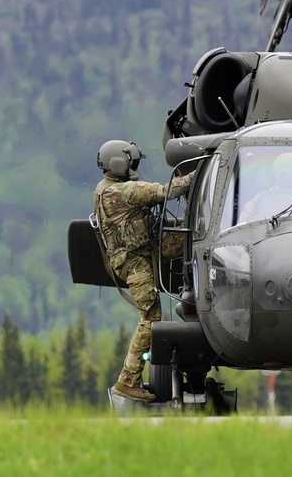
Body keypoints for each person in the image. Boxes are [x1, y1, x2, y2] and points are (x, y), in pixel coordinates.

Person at [94, 139, 195, 403]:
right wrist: (201, 173)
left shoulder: (105, 189)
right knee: (150, 315)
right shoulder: (122, 192)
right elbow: (167, 191)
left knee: (191, 240)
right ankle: (127, 382)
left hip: (136, 252)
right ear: (120, 164)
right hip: (133, 260)